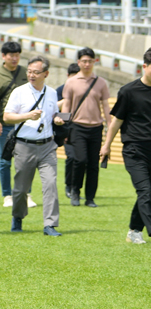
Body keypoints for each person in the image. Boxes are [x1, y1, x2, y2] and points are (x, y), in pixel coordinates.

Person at [3, 56, 65, 236]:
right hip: (24, 146)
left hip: (47, 146)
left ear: (46, 74)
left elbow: (53, 114)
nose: (31, 75)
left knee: (50, 184)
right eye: (29, 71)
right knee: (21, 188)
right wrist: (27, 116)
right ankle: (18, 216)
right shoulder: (19, 92)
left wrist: (57, 119)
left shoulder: (52, 93)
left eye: (36, 72)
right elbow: (7, 117)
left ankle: (50, 225)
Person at [100, 48, 151, 245]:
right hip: (134, 150)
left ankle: (134, 230)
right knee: (146, 192)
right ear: (144, 67)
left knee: (147, 193)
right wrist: (106, 146)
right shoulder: (128, 91)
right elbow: (116, 121)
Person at [0, 41, 32, 208]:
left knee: (26, 160)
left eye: (17, 55)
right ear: (3, 56)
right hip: (4, 125)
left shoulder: (26, 74)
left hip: (25, 124)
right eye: (11, 55)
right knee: (5, 160)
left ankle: (26, 194)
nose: (15, 58)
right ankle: (7, 195)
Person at [62, 47, 111, 208]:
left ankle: (90, 197)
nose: (87, 64)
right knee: (79, 160)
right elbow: (66, 104)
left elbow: (105, 106)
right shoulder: (71, 82)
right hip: (77, 127)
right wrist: (63, 124)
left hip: (96, 127)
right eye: (84, 61)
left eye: (90, 61)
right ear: (79, 62)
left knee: (93, 164)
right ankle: (75, 190)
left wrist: (110, 125)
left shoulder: (101, 82)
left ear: (94, 62)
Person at [56, 63, 81, 198]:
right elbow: (54, 110)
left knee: (82, 160)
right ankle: (69, 186)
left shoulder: (83, 90)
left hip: (81, 129)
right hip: (66, 129)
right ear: (67, 76)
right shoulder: (60, 90)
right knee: (71, 157)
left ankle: (76, 188)